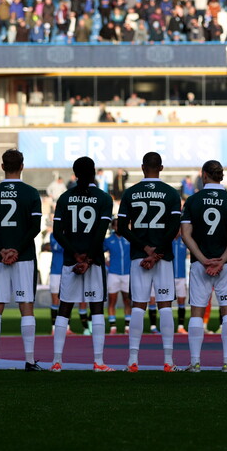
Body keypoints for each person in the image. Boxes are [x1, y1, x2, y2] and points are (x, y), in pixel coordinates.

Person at [0, 149, 42, 371]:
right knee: (26, 306)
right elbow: (35, 227)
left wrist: (2, 250)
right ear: (22, 166)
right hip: (24, 257)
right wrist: (16, 250)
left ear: (2, 166)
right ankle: (30, 361)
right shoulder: (32, 193)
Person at [117, 152, 183, 372]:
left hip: (139, 257)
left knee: (138, 306)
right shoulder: (171, 193)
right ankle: (168, 361)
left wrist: (146, 249)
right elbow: (175, 227)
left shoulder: (131, 192)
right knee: (165, 306)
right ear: (161, 168)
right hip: (163, 258)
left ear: (143, 167)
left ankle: (133, 361)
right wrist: (157, 252)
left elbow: (122, 228)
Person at [50, 156, 116, 372]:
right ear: (94, 172)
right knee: (97, 308)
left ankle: (57, 362)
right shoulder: (104, 198)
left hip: (71, 260)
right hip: (94, 262)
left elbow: (58, 233)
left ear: (75, 173)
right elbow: (99, 233)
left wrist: (75, 255)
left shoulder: (64, 198)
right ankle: (98, 362)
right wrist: (87, 259)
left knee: (64, 309)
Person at [180, 160, 227, 372]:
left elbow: (185, 234)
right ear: (221, 176)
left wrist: (202, 258)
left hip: (201, 264)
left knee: (197, 312)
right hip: (226, 265)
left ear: (204, 175)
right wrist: (222, 259)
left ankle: (195, 362)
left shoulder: (193, 200)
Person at [104, 219, 132, 334]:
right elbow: (99, 252)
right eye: (117, 226)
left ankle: (127, 327)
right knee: (112, 301)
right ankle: (113, 327)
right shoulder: (108, 240)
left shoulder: (130, 238)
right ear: (113, 227)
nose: (118, 228)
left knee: (128, 301)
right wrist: (106, 262)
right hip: (113, 274)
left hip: (127, 273)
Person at [172, 236, 188, 334]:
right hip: (169, 276)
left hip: (181, 276)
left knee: (182, 301)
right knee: (166, 302)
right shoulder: (168, 240)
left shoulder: (185, 240)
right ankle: (168, 326)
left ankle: (180, 326)